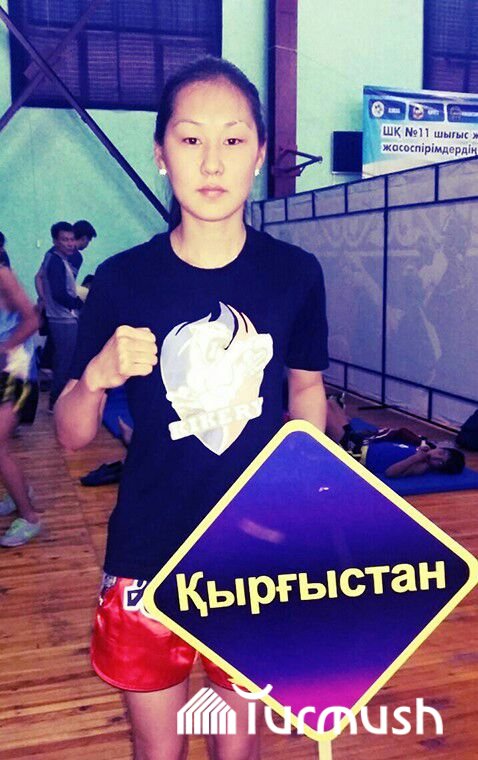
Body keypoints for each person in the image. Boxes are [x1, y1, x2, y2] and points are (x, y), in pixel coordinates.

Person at [55, 56, 328, 760]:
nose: (212, 161)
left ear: (259, 154)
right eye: (190, 138)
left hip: (256, 552)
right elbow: (72, 435)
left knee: (238, 752)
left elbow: (305, 389)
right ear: (160, 153)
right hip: (147, 555)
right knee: (161, 753)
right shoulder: (121, 280)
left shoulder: (295, 275)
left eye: (233, 139)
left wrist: (297, 489)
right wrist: (96, 376)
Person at [0, 262, 41, 547]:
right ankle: (18, 493)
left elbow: (32, 321)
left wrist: (4, 348)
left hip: (15, 371)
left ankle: (30, 518)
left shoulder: (2, 275)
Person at [326, 396, 465, 478]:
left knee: (325, 409)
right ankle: (337, 406)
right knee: (331, 404)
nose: (435, 457)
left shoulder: (421, 466)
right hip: (363, 442)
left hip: (357, 452)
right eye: (440, 453)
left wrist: (416, 458)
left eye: (439, 462)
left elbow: (390, 473)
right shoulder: (424, 448)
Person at [40, 222, 84, 411]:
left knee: (63, 359)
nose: (70, 243)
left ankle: (57, 400)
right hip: (62, 319)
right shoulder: (56, 261)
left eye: (72, 239)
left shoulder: (60, 259)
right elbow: (59, 294)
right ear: (55, 241)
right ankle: (56, 402)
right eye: (65, 240)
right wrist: (79, 303)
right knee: (65, 362)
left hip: (63, 317)